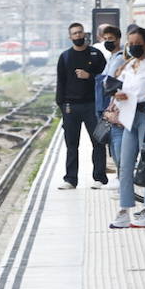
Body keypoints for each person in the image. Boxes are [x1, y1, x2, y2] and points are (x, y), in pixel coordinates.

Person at [111, 26, 145, 229]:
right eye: (131, 44)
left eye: (139, 44)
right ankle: (124, 209)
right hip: (129, 116)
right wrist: (116, 94)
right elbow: (115, 86)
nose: (135, 47)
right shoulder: (129, 66)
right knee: (125, 164)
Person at [55, 22, 108, 190]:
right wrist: (62, 106)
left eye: (80, 32)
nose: (78, 36)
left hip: (92, 105)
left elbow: (105, 78)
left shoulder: (95, 54)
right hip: (71, 106)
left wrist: (89, 76)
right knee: (72, 144)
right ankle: (70, 179)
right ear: (70, 37)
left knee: (98, 141)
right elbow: (60, 83)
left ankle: (99, 177)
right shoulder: (65, 57)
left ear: (85, 34)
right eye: (74, 34)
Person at [95, 24, 125, 186]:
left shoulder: (119, 57)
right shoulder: (112, 57)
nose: (108, 42)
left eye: (111, 39)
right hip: (107, 107)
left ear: (119, 40)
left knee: (117, 142)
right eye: (105, 39)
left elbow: (109, 81)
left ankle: (122, 179)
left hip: (113, 108)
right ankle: (120, 179)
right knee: (112, 143)